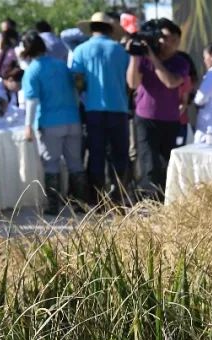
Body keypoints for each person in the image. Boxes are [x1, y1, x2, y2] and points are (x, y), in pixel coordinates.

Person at [18, 31, 84, 215]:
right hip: (72, 119)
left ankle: (53, 206)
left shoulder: (32, 70)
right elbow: (75, 92)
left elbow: (31, 101)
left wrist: (28, 126)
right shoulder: (61, 65)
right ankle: (81, 203)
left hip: (50, 122)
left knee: (51, 164)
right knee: (75, 163)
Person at [70, 12, 130, 202]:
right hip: (119, 109)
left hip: (93, 109)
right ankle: (118, 197)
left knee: (96, 154)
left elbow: (78, 82)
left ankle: (96, 199)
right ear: (110, 30)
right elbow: (130, 83)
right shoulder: (121, 51)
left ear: (91, 29)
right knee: (119, 154)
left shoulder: (80, 50)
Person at [127, 18, 189, 198]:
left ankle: (165, 199)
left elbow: (171, 82)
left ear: (177, 40)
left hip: (170, 120)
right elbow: (132, 83)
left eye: (166, 37)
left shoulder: (180, 62)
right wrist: (134, 55)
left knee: (167, 164)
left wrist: (152, 58)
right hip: (145, 119)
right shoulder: (144, 58)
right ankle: (149, 205)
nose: (161, 41)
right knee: (148, 164)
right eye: (159, 37)